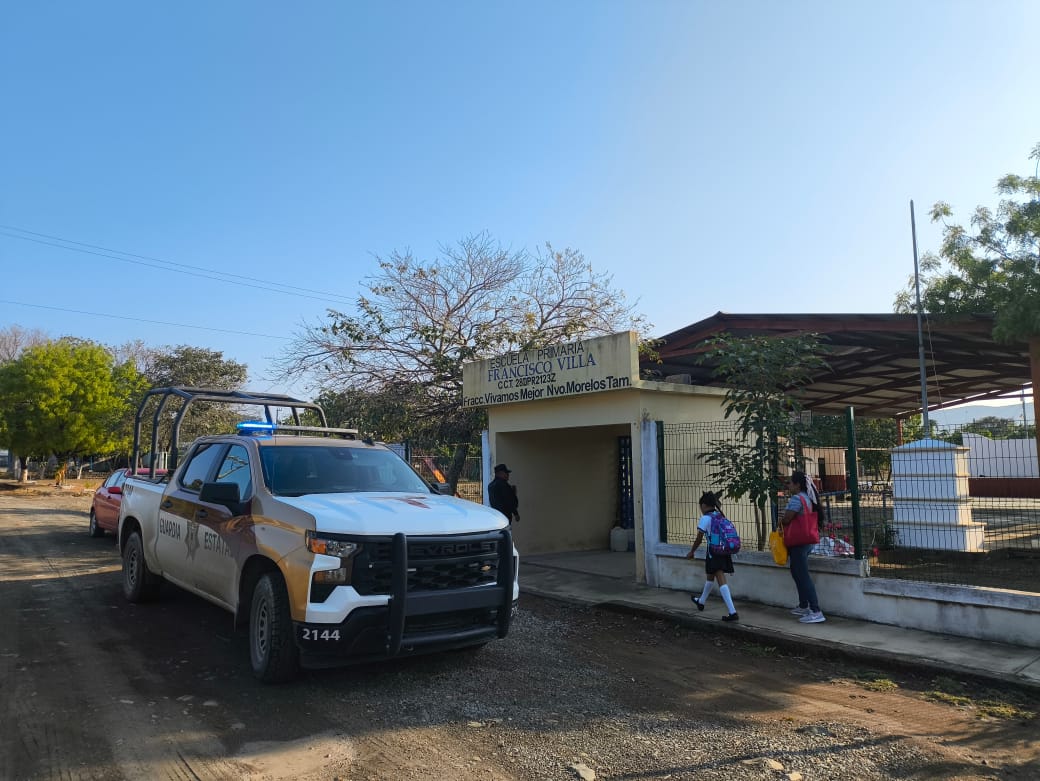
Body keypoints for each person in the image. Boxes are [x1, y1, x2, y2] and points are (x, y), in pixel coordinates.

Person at [780, 471, 826, 624]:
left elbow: (787, 519)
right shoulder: (809, 497)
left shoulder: (797, 498)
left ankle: (815, 610)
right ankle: (803, 605)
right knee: (797, 571)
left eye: (790, 483)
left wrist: (781, 520)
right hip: (807, 540)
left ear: (797, 485)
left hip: (798, 542)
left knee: (802, 575)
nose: (789, 486)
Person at [685, 491, 738, 622]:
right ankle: (701, 601)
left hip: (714, 552)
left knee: (720, 578)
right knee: (710, 575)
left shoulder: (705, 518)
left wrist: (692, 551)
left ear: (703, 505)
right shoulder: (719, 516)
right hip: (723, 550)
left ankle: (732, 612)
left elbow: (699, 538)